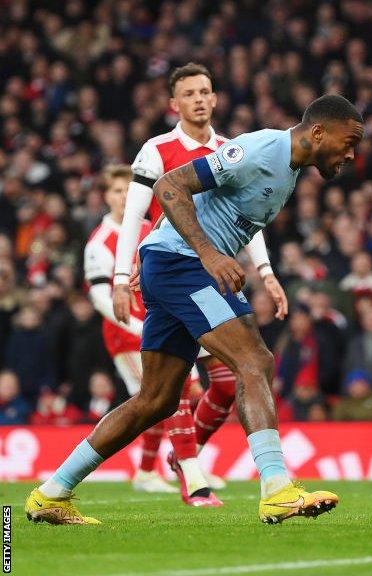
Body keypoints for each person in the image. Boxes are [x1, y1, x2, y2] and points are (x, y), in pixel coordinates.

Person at [26, 93, 364, 525]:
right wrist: (205, 254)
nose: (352, 154)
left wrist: (242, 266)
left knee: (156, 400)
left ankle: (52, 492)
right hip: (183, 265)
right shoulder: (261, 149)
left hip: (177, 266)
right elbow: (170, 186)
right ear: (318, 132)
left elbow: (227, 216)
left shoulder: (290, 168)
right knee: (254, 360)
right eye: (349, 141)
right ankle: (277, 488)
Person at [110, 63, 289, 504]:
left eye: (205, 91)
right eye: (189, 93)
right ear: (175, 104)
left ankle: (188, 456)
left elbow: (253, 222)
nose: (199, 99)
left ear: (215, 97)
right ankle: (194, 477)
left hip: (214, 275)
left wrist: (266, 273)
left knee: (228, 382)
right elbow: (134, 215)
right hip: (171, 271)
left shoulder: (234, 149)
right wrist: (119, 274)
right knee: (180, 381)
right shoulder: (157, 149)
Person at [83, 165, 182, 494]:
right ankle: (180, 468)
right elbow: (100, 298)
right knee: (159, 396)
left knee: (171, 396)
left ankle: (157, 470)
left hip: (160, 324)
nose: (124, 197)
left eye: (128, 190)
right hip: (128, 335)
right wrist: (139, 327)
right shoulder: (100, 242)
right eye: (116, 191)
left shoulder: (149, 229)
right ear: (105, 196)